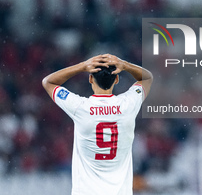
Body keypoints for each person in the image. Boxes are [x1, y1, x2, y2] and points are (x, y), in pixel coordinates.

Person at [42, 54, 153, 195]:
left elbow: (48, 82)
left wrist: (82, 66)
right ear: (117, 79)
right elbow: (147, 78)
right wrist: (124, 65)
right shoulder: (128, 105)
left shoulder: (80, 107)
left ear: (90, 78)